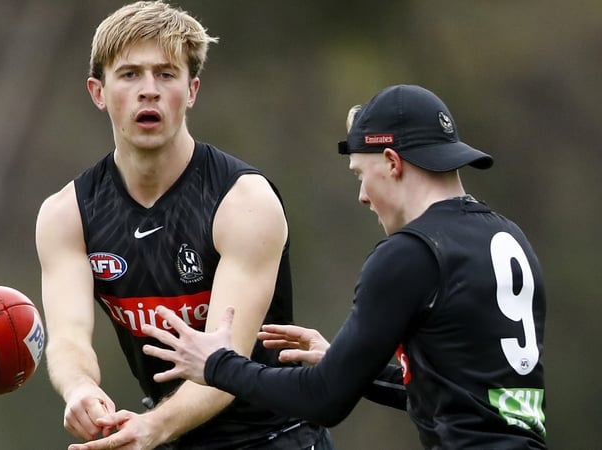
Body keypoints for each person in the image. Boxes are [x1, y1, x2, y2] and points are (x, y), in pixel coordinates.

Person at [141, 84, 548, 449]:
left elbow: (323, 400)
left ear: (392, 162)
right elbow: (465, 395)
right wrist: (345, 363)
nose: (362, 197)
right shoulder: (507, 236)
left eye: (360, 174)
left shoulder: (410, 253)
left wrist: (217, 364)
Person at [35, 1, 335, 449]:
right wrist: (80, 389)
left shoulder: (244, 203)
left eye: (167, 74)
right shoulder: (67, 214)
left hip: (275, 438)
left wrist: (152, 427)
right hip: (172, 439)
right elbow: (69, 338)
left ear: (192, 90)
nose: (149, 90)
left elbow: (222, 367)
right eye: (130, 74)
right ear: (98, 92)